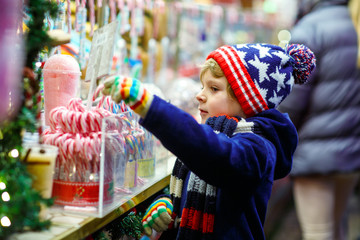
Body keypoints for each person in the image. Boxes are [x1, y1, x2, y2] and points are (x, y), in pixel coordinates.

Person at [102, 43, 316, 239]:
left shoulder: (258, 148)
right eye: (202, 86)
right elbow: (195, 184)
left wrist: (152, 108)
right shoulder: (214, 132)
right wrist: (169, 204)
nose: (200, 96)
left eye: (214, 89)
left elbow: (214, 156)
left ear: (248, 100)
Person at [277, 0, 360, 239]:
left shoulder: (310, 28)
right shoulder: (355, 21)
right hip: (352, 149)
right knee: (337, 226)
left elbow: (290, 100)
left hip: (314, 154)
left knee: (318, 232)